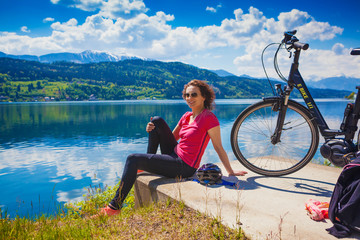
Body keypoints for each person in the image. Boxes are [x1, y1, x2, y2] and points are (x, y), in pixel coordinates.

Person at [94, 79, 247, 216]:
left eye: (194, 95)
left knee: (132, 159)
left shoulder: (209, 118)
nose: (189, 98)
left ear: (203, 97)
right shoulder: (187, 116)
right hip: (174, 154)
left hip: (185, 166)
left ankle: (114, 208)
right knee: (156, 121)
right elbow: (172, 138)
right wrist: (152, 129)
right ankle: (147, 162)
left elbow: (218, 147)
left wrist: (230, 172)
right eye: (187, 95)